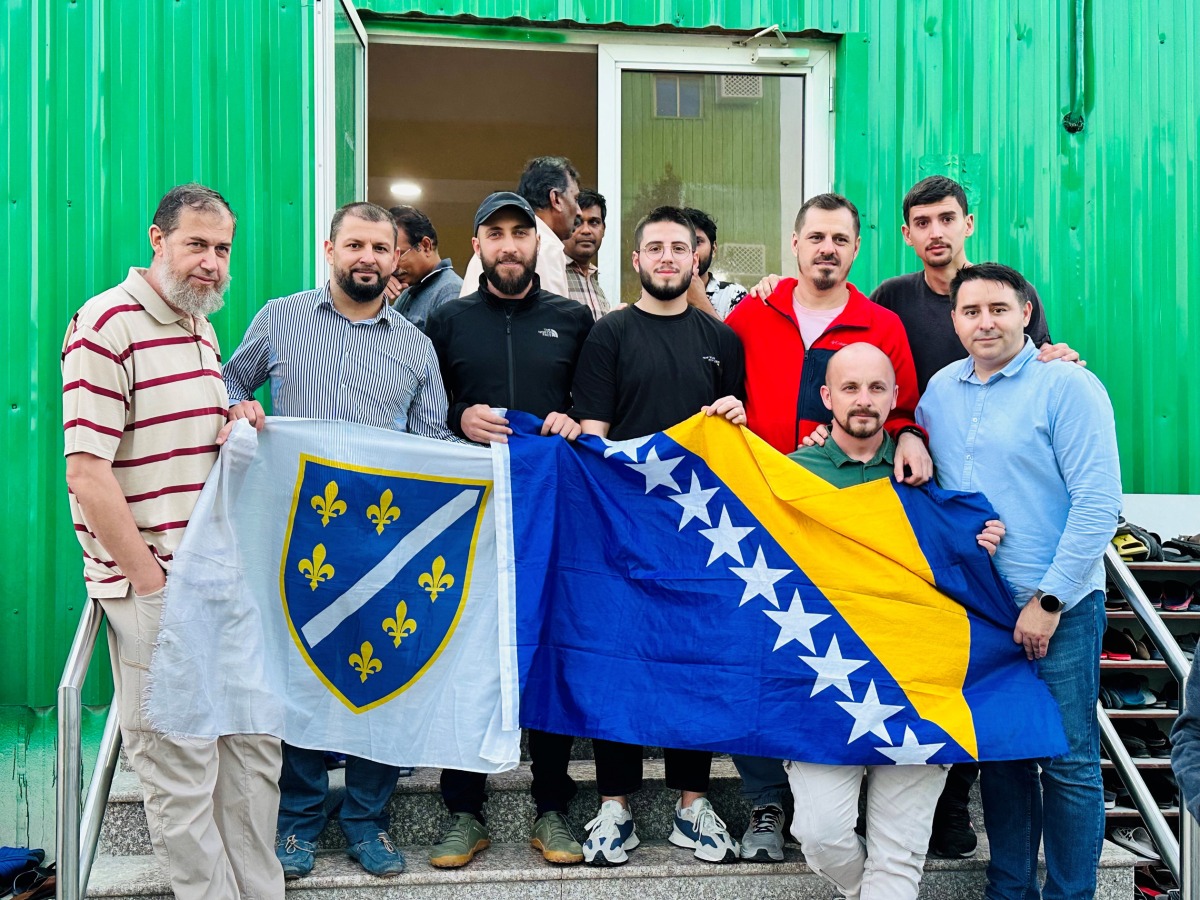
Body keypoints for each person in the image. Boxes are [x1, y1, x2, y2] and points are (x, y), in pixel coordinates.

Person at [221, 201, 457, 881]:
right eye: (354, 244)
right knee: (296, 672)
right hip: (298, 538)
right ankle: (295, 821)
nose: (368, 258)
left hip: (386, 546)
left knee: (382, 676)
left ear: (397, 259)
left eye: (381, 248)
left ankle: (365, 819)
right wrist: (239, 408)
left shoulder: (415, 346)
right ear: (330, 249)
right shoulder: (282, 318)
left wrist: (492, 460)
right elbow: (230, 382)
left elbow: (434, 438)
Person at [62, 183, 284, 900]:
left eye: (222, 249)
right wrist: (155, 586)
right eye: (196, 244)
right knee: (182, 771)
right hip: (156, 587)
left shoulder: (201, 327)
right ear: (157, 240)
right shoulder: (106, 324)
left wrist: (236, 410)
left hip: (222, 577)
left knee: (252, 758)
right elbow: (88, 475)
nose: (212, 263)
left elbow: (191, 422)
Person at [916, 263, 1121, 900]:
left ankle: (1070, 893)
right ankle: (1009, 890)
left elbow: (1098, 503)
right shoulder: (938, 392)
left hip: (1060, 606)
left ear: (1026, 312)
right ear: (953, 320)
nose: (985, 322)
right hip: (981, 610)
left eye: (999, 309)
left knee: (1067, 764)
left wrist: (1049, 599)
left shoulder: (1068, 386)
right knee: (1002, 759)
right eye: (970, 311)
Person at [784, 342, 1005, 900]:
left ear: (896, 398)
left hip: (916, 686)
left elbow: (959, 552)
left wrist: (979, 542)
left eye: (877, 388)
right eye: (851, 388)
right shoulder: (788, 476)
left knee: (900, 852)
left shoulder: (924, 477)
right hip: (823, 686)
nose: (864, 400)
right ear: (826, 396)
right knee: (820, 833)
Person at [571, 205, 746, 866]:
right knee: (621, 660)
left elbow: (740, 440)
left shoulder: (723, 341)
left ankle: (691, 805)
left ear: (696, 258)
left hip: (701, 538)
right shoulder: (609, 334)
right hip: (622, 532)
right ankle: (614, 805)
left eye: (680, 247)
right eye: (656, 248)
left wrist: (737, 414)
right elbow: (592, 432)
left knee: (691, 662)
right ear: (637, 260)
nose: (669, 258)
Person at [422, 191, 593, 868]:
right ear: (478, 247)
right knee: (468, 652)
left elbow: (599, 403)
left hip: (552, 513)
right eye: (495, 234)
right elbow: (425, 408)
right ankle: (464, 812)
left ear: (537, 244)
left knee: (548, 649)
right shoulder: (447, 320)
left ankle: (552, 809)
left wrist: (575, 417)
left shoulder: (574, 320)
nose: (509, 245)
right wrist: (458, 417)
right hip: (470, 517)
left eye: (521, 233)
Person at [871, 175, 1074, 393]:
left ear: (968, 225)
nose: (936, 233)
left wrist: (1058, 361)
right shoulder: (890, 297)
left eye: (947, 219)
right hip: (913, 425)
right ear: (907, 234)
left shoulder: (1010, 291)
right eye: (922, 223)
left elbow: (1039, 362)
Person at [460, 156, 579, 299]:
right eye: (576, 199)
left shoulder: (489, 250)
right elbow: (552, 318)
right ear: (556, 199)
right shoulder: (546, 248)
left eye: (520, 233)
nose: (579, 211)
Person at [380, 205, 462, 332]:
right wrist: (377, 298)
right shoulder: (409, 291)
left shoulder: (450, 292)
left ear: (425, 246)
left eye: (399, 255)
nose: (393, 266)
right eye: (389, 256)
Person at [681, 207, 748, 320]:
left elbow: (734, 338)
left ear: (714, 248)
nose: (692, 251)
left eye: (697, 242)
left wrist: (701, 303)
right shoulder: (661, 292)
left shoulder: (733, 294)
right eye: (680, 244)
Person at [563, 188, 609, 320]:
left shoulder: (594, 282)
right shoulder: (550, 273)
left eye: (594, 222)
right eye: (577, 222)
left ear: (603, 229)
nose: (586, 230)